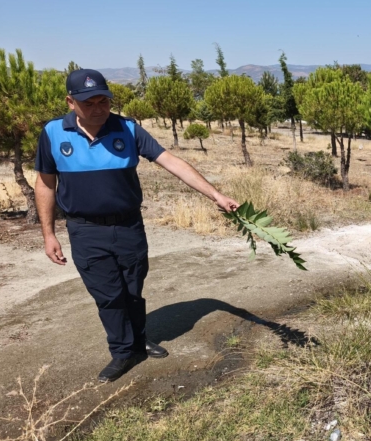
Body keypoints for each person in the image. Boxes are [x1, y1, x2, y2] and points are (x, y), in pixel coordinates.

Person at [34, 69, 239, 382]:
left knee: (132, 289)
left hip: (129, 226)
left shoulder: (127, 128)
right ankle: (121, 352)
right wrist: (48, 234)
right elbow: (46, 184)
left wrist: (216, 195)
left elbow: (172, 162)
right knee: (108, 295)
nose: (99, 108)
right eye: (89, 103)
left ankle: (139, 340)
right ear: (71, 102)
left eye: (104, 101)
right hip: (85, 230)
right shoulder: (53, 133)